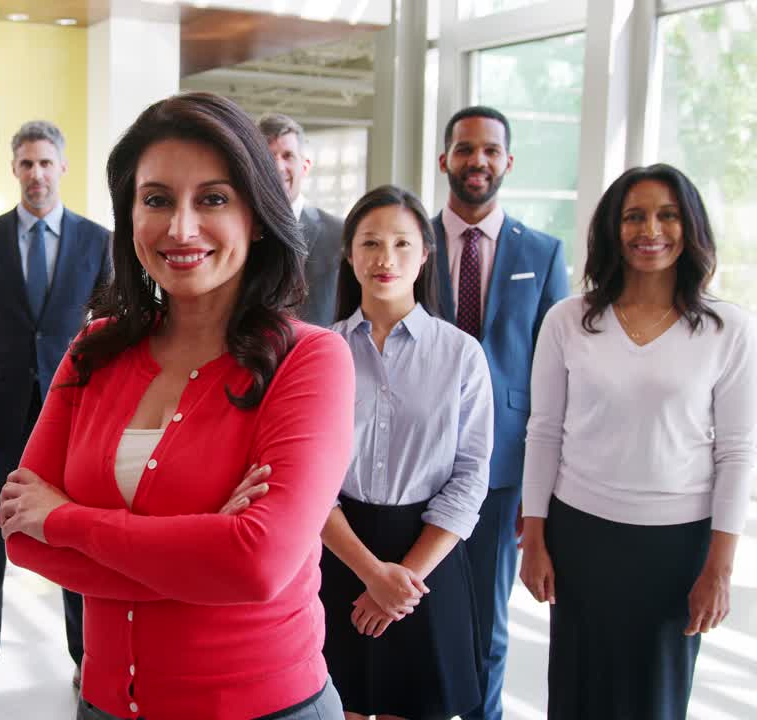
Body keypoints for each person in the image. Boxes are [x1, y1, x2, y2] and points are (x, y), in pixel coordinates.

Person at [0, 92, 354, 720]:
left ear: (258, 214)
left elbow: (258, 565)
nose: (181, 228)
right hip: (106, 703)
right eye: (156, 199)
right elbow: (21, 537)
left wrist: (68, 520)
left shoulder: (310, 360)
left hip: (264, 707)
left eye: (213, 199)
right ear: (129, 214)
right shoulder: (93, 351)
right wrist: (203, 554)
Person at [519, 164, 755, 720]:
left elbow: (738, 450)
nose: (651, 229)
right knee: (578, 694)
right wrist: (534, 536)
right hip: (581, 537)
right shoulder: (568, 320)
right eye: (635, 216)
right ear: (612, 229)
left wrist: (719, 569)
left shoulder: (728, 329)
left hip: (677, 549)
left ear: (689, 226)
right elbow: (544, 430)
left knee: (657, 700)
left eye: (667, 215)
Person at [0, 120, 111, 715]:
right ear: (14, 170)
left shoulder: (99, 241)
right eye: (25, 164)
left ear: (62, 167)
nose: (36, 173)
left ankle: (85, 658)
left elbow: (114, 339)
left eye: (46, 162)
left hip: (76, 422)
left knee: (74, 541)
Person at [320, 185, 493, 720]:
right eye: (370, 243)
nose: (385, 258)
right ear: (350, 255)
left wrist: (400, 579)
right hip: (339, 554)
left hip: (428, 562)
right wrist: (371, 573)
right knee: (337, 705)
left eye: (401, 243)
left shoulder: (460, 353)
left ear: (424, 255)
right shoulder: (319, 350)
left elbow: (470, 476)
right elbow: (305, 476)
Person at [431, 105, 569, 720]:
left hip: (502, 468)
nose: (477, 161)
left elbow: (557, 376)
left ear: (507, 161)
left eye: (490, 150)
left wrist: (541, 494)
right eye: (465, 149)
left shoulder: (542, 252)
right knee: (416, 603)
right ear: (445, 161)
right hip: (419, 454)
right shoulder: (409, 239)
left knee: (487, 620)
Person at [258, 113, 344, 327]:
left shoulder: (340, 234)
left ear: (305, 166)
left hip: (317, 355)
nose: (278, 167)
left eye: (288, 156)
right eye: (269, 157)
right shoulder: (238, 231)